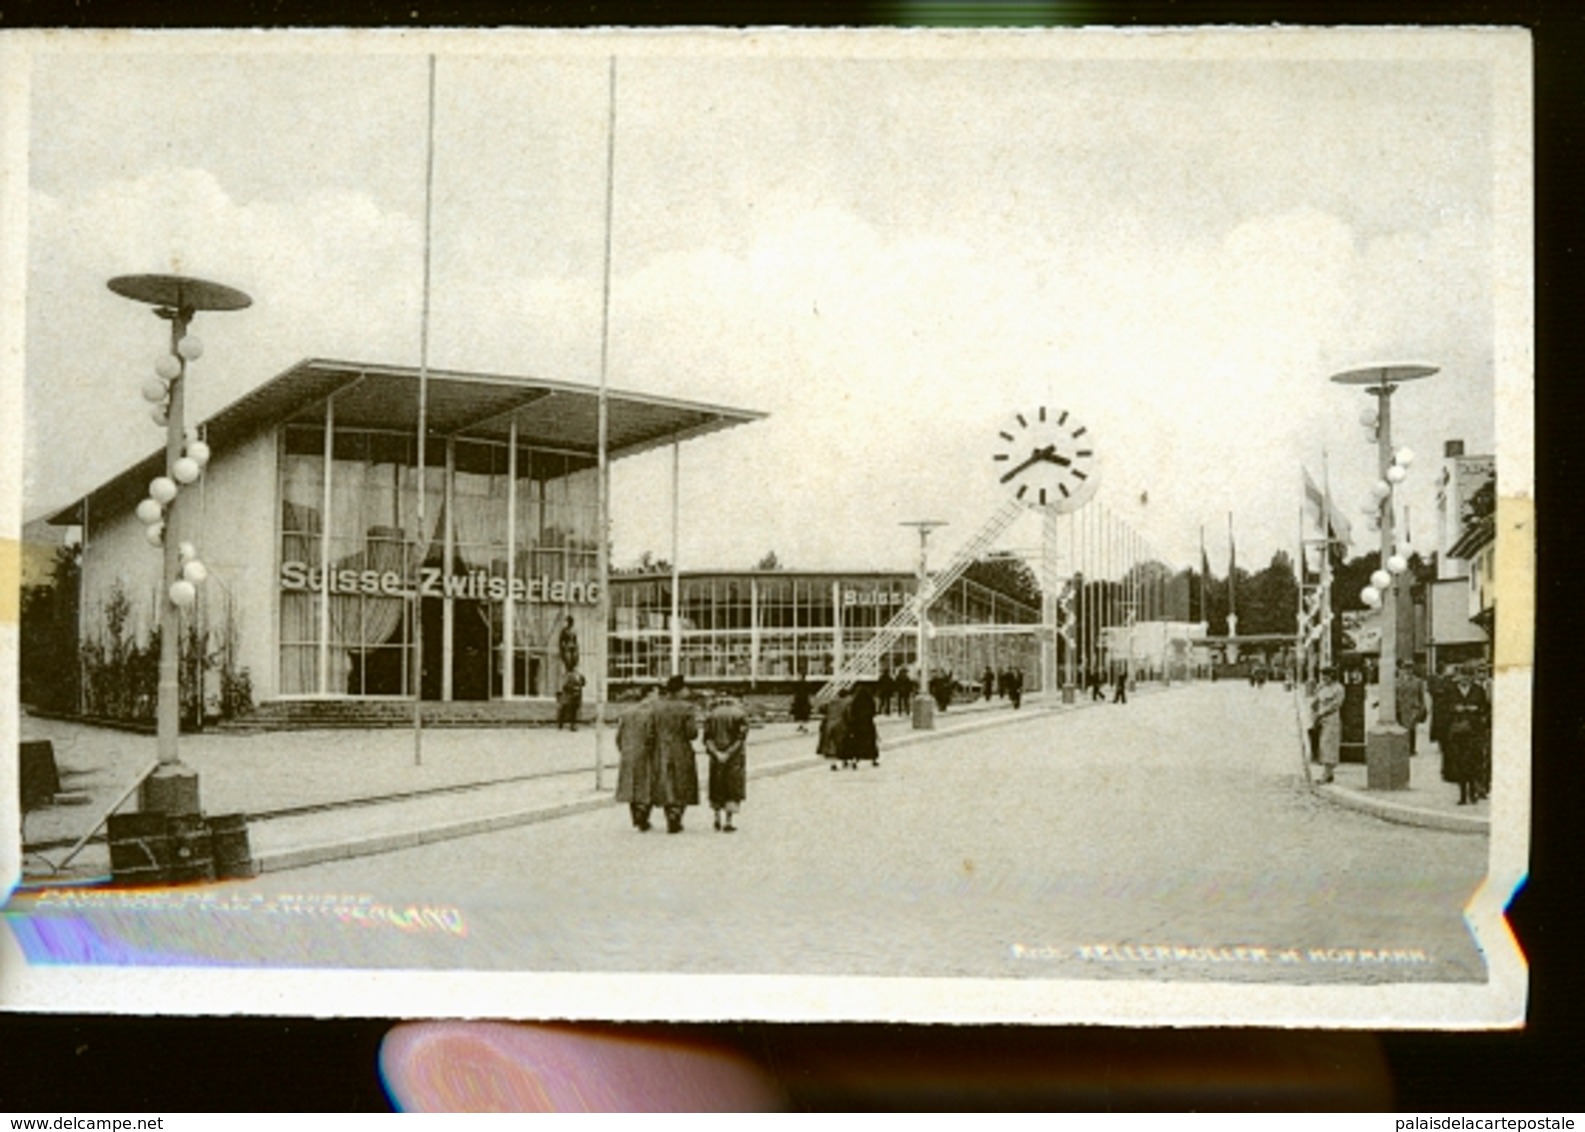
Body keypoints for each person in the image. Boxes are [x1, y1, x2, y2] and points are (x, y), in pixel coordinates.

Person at [652, 674, 701, 833]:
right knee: (682, 781)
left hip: (660, 749)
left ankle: (669, 814)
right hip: (681, 749)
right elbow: (691, 733)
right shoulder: (687, 708)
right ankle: (677, 814)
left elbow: (650, 731)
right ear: (679, 690)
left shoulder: (657, 707)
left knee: (666, 782)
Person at [1441, 664, 1491, 805]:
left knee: (1473, 762)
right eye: (1463, 676)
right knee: (1459, 763)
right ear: (1459, 677)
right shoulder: (1451, 690)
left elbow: (1485, 708)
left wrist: (1476, 710)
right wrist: (1455, 709)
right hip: (1457, 732)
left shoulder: (1478, 690)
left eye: (1468, 677)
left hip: (1474, 731)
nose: (1465, 680)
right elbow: (1444, 707)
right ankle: (1462, 795)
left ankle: (1473, 792)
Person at [614, 686, 660, 832]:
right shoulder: (653, 713)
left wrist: (624, 750)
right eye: (657, 694)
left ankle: (636, 817)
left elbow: (619, 736)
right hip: (646, 754)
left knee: (631, 787)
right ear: (650, 694)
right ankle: (643, 818)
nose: (658, 697)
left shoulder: (627, 712)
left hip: (628, 754)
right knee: (647, 786)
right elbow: (652, 736)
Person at [703, 692, 749, 832]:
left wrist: (716, 753)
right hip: (734, 758)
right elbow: (741, 738)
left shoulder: (711, 715)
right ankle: (728, 821)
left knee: (716, 786)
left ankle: (716, 817)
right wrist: (728, 753)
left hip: (715, 757)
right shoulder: (740, 714)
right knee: (732, 788)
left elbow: (707, 738)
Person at [1311, 665, 1345, 784]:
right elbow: (1316, 701)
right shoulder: (1322, 687)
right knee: (1322, 745)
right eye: (1323, 676)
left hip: (1331, 719)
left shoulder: (1338, 688)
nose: (1324, 679)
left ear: (1332, 676)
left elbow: (1336, 704)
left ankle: (1327, 773)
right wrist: (1315, 713)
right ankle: (1329, 774)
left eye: (1326, 676)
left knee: (1328, 745)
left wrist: (1322, 712)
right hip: (1320, 720)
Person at [840, 684, 879, 769]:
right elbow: (873, 711)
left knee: (856, 743)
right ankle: (873, 759)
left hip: (858, 725)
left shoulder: (855, 701)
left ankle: (855, 760)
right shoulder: (870, 700)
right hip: (868, 724)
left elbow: (852, 712)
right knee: (870, 742)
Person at [1395, 661, 1428, 755]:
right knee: (1402, 728)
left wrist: (1422, 707)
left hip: (1413, 708)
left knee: (1412, 728)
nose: (1408, 670)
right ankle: (1403, 747)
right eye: (1406, 668)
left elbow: (1421, 695)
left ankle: (1411, 749)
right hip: (1402, 707)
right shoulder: (1398, 681)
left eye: (1410, 668)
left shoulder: (1418, 681)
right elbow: (1395, 695)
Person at [818, 687, 851, 770]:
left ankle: (833, 764)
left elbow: (822, 709)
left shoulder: (832, 702)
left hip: (829, 725)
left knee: (832, 745)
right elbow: (848, 715)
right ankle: (844, 761)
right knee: (843, 744)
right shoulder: (847, 704)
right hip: (841, 725)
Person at [556, 666, 586, 731]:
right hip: (569, 696)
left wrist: (582, 680)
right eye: (576, 669)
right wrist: (573, 688)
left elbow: (583, 684)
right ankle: (561, 724)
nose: (577, 670)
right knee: (566, 710)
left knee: (574, 711)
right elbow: (565, 686)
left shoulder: (580, 676)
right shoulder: (569, 676)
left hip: (577, 696)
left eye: (578, 669)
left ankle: (573, 726)